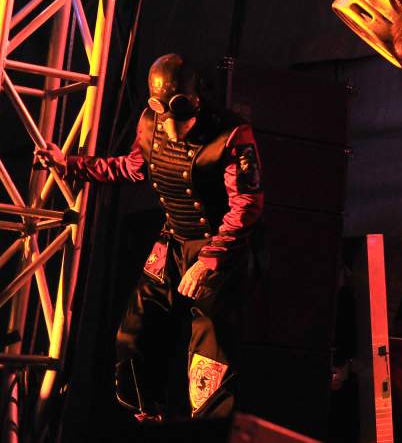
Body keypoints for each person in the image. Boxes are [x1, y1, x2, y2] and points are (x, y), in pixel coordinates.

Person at [36, 54, 263, 421]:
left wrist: (209, 261)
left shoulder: (232, 134)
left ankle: (207, 430)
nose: (172, 128)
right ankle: (146, 411)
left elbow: (247, 204)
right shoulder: (149, 124)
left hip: (218, 249)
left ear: (195, 102)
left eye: (181, 117)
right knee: (134, 330)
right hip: (172, 239)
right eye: (165, 116)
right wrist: (69, 164)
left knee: (209, 354)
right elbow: (131, 167)